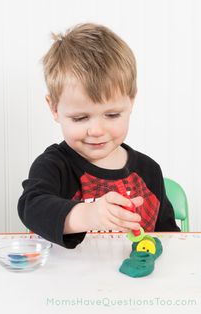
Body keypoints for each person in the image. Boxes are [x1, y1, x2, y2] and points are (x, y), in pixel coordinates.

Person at [18, 23, 180, 249]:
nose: (96, 130)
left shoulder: (148, 171)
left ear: (131, 101)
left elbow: (170, 239)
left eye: (112, 115)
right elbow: (32, 208)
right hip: (67, 282)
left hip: (136, 283)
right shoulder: (54, 166)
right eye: (80, 118)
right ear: (54, 108)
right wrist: (88, 215)